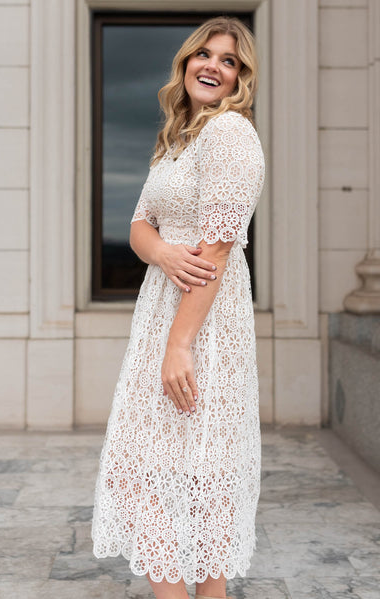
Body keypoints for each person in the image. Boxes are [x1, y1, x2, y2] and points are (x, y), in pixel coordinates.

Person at [91, 15, 266, 599]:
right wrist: (163, 251)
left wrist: (181, 342)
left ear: (240, 77)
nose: (213, 66)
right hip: (161, 314)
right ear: (186, 62)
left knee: (203, 473)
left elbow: (218, 244)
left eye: (229, 60)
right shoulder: (177, 140)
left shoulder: (230, 135)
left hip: (205, 324)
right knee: (148, 470)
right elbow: (139, 226)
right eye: (204, 54)